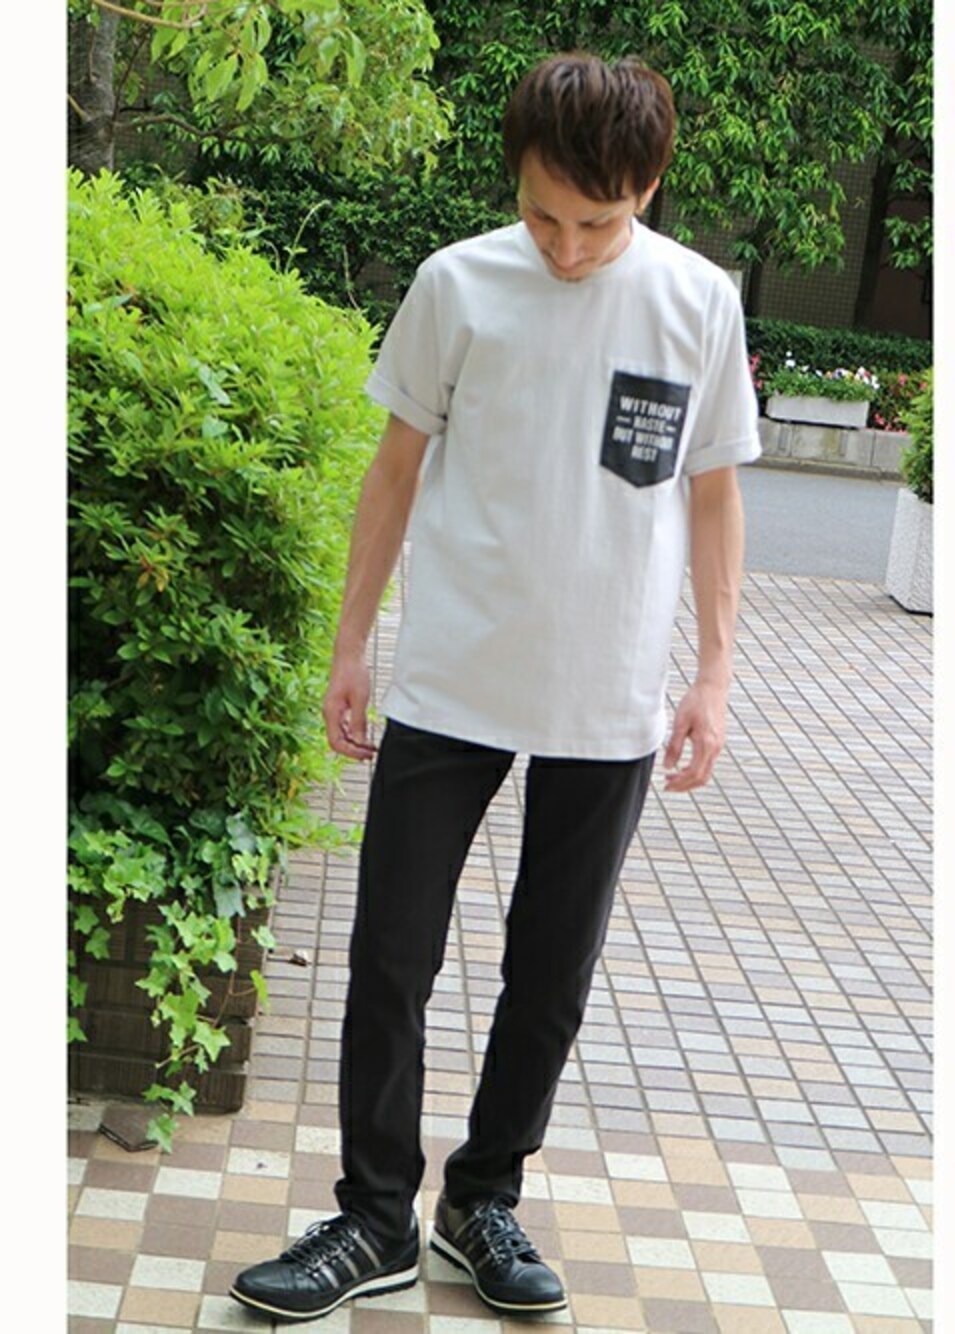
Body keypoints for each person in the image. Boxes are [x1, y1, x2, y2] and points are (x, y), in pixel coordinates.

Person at [231, 50, 760, 1324]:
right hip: (452, 678)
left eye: (597, 223)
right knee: (391, 954)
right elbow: (394, 468)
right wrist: (351, 641)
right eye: (542, 216)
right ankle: (374, 1214)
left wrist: (714, 670)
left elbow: (713, 492)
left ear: (647, 188)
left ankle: (482, 1199)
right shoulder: (457, 282)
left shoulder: (697, 300)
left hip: (608, 693)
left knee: (550, 971)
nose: (567, 248)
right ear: (513, 180)